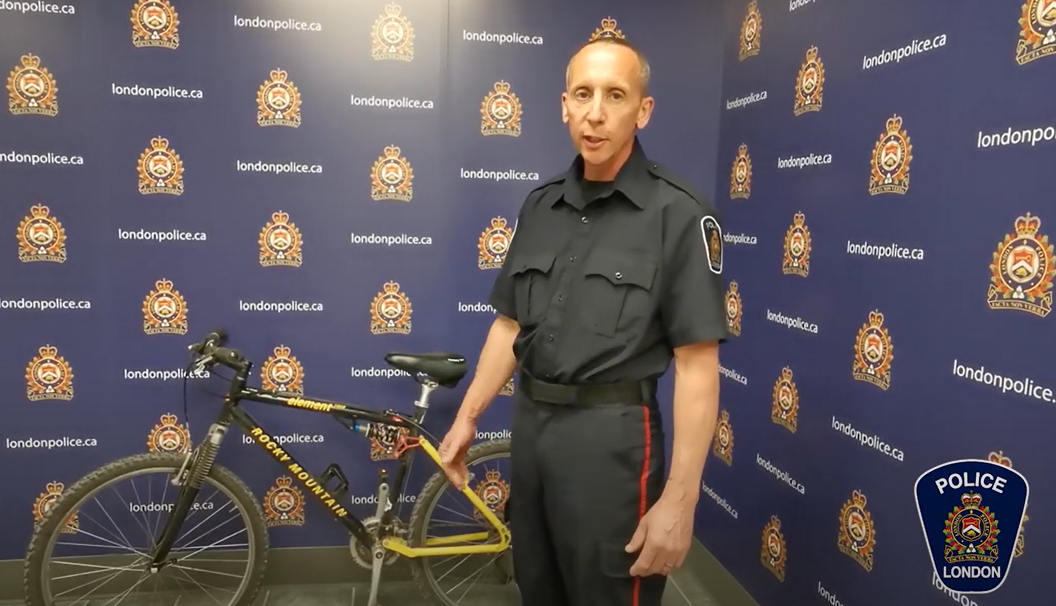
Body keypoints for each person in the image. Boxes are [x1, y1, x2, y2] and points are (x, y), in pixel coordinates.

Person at [438, 35, 727, 606]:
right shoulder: (540, 205)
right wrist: (468, 417)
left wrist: (680, 501)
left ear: (642, 110)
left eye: (615, 95)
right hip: (533, 432)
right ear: (563, 104)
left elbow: (697, 368)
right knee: (538, 589)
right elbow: (509, 326)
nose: (595, 113)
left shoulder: (679, 213)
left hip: (613, 444)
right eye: (583, 94)